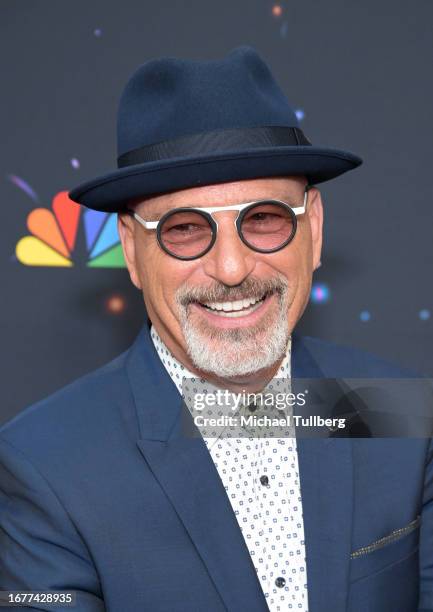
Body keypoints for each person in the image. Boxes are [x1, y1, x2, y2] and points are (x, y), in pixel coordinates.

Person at [0, 46, 431, 612]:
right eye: (183, 230)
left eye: (264, 219)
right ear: (132, 250)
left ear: (315, 228)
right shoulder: (44, 466)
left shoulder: (398, 414)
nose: (232, 269)